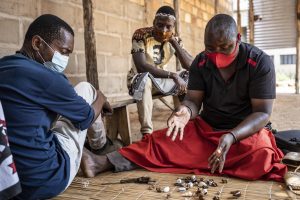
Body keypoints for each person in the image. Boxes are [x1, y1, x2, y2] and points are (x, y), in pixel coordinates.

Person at [81, 14, 287, 182]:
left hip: (243, 134)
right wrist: (184, 112)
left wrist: (231, 137)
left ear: (238, 39)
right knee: (160, 141)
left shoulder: (259, 62)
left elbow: (262, 113)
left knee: (262, 155)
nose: (217, 55)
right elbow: (194, 102)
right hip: (207, 131)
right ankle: (101, 163)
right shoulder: (201, 62)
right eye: (210, 48)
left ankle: (199, 158)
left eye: (225, 47)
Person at [0, 14, 119, 200]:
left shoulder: (3, 66)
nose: (65, 58)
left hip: (7, 184)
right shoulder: (50, 79)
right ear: (37, 43)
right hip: (45, 180)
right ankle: (100, 149)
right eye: (63, 51)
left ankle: (85, 154)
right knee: (87, 90)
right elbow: (86, 118)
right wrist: (101, 98)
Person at [128, 5, 194, 136]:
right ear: (153, 23)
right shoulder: (140, 35)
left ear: (173, 27)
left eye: (168, 26)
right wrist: (173, 75)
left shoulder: (175, 39)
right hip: (138, 81)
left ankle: (184, 122)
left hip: (161, 81)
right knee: (145, 78)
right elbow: (141, 66)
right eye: (160, 25)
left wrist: (174, 42)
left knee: (188, 76)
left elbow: (190, 66)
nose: (164, 30)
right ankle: (147, 133)